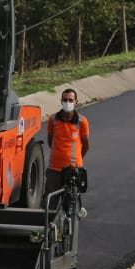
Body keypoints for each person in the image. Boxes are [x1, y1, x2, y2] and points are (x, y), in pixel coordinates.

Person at [46, 87, 90, 219]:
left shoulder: (82, 122)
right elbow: (50, 141)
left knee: (69, 206)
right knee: (49, 205)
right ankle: (48, 233)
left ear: (76, 102)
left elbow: (86, 145)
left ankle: (68, 232)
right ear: (61, 101)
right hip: (54, 170)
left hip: (72, 172)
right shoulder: (53, 120)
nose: (67, 102)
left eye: (70, 100)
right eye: (65, 99)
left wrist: (77, 160)